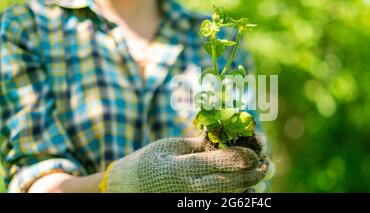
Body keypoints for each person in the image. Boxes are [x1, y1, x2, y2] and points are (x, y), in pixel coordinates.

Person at [0, 0, 270, 192]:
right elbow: (39, 180)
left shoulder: (221, 39)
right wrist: (121, 182)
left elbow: (252, 166)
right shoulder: (29, 27)